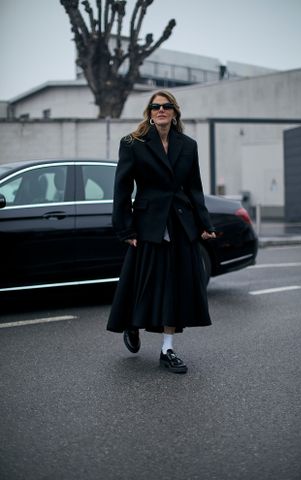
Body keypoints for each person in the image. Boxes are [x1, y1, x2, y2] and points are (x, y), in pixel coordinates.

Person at [106, 90, 216, 374]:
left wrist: (205, 224)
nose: (161, 110)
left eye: (166, 106)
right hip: (147, 225)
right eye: (155, 107)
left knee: (174, 286)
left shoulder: (188, 146)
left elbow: (194, 188)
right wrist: (125, 228)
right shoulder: (133, 143)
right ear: (149, 112)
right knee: (142, 282)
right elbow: (121, 189)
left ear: (174, 112)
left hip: (180, 224)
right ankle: (132, 323)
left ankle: (167, 348)